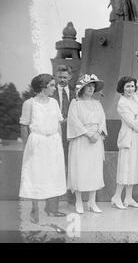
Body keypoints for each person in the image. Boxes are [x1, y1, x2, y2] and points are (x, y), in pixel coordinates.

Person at [19, 74, 67, 222]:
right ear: (42, 87)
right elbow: (24, 125)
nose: (54, 88)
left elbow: (58, 123)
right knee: (36, 174)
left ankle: (52, 209)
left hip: (53, 142)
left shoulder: (53, 102)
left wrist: (59, 143)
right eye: (52, 85)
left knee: (54, 173)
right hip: (37, 142)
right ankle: (35, 209)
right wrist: (28, 147)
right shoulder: (30, 103)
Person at [67, 74, 107, 214]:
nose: (91, 88)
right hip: (81, 139)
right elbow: (74, 121)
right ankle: (79, 201)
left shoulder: (97, 104)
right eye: (88, 86)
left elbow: (102, 120)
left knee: (93, 170)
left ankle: (92, 201)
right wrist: (87, 133)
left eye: (93, 86)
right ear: (82, 88)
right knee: (80, 169)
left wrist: (97, 133)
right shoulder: (76, 103)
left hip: (95, 140)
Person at [110, 75, 138, 209]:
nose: (131, 88)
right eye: (127, 86)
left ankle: (128, 198)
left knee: (134, 168)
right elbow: (132, 123)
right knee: (126, 168)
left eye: (132, 86)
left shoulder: (135, 98)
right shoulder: (122, 103)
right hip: (129, 138)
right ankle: (116, 197)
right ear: (122, 87)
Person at [51, 65, 76, 207]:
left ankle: (70, 196)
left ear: (70, 77)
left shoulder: (75, 93)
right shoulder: (51, 93)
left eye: (65, 77)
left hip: (71, 134)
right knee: (54, 164)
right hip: (54, 133)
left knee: (70, 164)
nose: (62, 80)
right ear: (56, 76)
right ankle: (53, 196)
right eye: (59, 77)